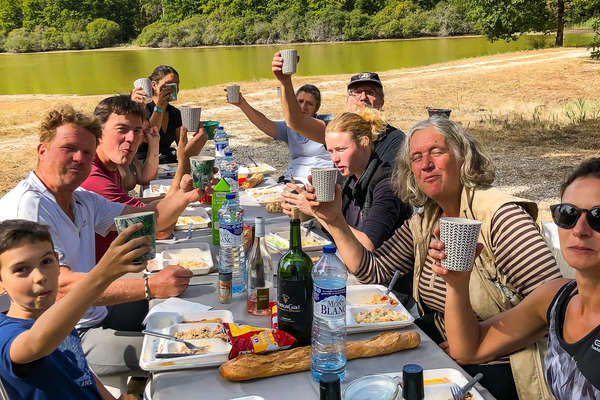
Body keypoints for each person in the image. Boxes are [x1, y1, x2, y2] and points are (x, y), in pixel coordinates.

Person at [300, 117, 562, 400]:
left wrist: (476, 343)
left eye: (436, 152)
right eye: (416, 157)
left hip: (504, 367)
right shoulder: (427, 220)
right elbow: (373, 271)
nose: (425, 164)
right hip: (439, 348)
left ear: (463, 157)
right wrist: (334, 221)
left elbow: (556, 306)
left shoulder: (499, 217)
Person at [0, 104, 201, 377]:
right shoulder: (31, 208)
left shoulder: (80, 198)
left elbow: (149, 217)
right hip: (67, 338)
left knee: (194, 313)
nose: (79, 158)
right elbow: (59, 287)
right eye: (69, 148)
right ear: (42, 151)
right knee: (188, 353)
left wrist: (187, 197)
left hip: (96, 311)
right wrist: (148, 287)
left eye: (86, 151)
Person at [431, 157, 600, 400]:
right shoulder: (556, 298)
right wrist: (457, 282)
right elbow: (469, 348)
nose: (579, 229)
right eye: (568, 214)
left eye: (598, 216)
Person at [0, 219, 146, 400]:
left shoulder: (60, 317)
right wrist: (102, 275)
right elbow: (36, 344)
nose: (40, 276)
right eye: (21, 269)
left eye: (46, 261)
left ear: (57, 261)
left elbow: (81, 373)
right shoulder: (5, 334)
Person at [81, 95, 208, 260]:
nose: (132, 139)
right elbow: (159, 226)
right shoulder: (94, 180)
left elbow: (142, 207)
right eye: (122, 129)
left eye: (137, 131)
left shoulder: (109, 165)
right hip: (108, 277)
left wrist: (181, 195)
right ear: (97, 132)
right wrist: (184, 164)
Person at [281, 108, 412, 251]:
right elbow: (325, 214)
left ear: (364, 142)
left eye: (341, 149)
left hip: (381, 270)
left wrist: (317, 214)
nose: (335, 159)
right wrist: (299, 209)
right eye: (330, 151)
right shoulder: (346, 176)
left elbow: (367, 245)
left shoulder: (387, 184)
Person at [271, 51, 405, 164]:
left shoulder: (394, 138)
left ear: (381, 101)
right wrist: (285, 81)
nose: (363, 97)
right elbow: (296, 122)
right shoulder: (336, 130)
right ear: (348, 102)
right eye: (356, 92)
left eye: (370, 92)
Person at [229, 84, 332, 180]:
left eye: (309, 104)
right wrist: (242, 104)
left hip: (319, 183)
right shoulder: (290, 126)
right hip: (292, 180)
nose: (303, 107)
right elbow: (264, 123)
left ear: (317, 108)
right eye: (300, 101)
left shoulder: (325, 127)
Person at [132, 65, 181, 164]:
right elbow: (149, 136)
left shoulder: (174, 112)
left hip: (167, 163)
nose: (173, 89)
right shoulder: (142, 108)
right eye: (168, 84)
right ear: (154, 85)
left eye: (176, 84)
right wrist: (160, 107)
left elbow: (182, 145)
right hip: (142, 162)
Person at [119, 117, 160, 192]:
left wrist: (154, 143)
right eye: (137, 131)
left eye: (147, 130)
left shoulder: (130, 156)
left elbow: (145, 178)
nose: (147, 134)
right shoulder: (115, 155)